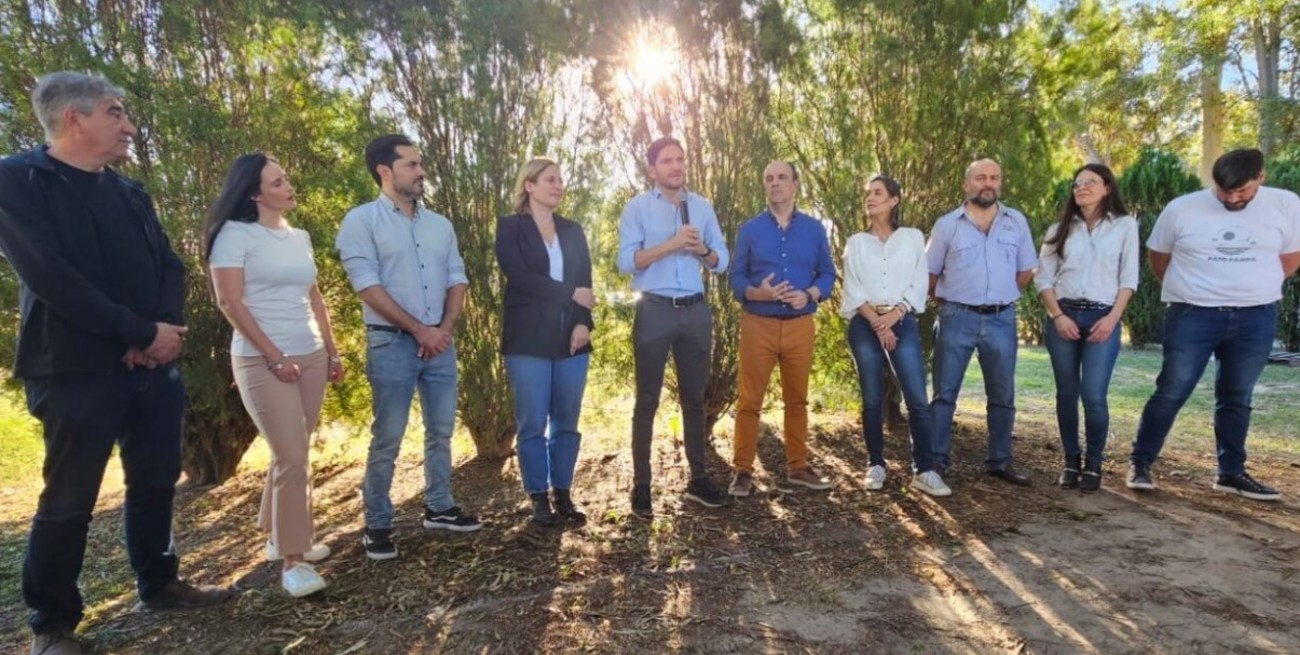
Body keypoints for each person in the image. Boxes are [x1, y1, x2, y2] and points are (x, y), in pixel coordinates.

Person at [0, 71, 232, 655]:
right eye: (115, 113)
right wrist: (138, 332)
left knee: (155, 481)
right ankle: (52, 626)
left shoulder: (129, 192)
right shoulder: (18, 181)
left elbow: (170, 265)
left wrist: (162, 330)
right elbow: (51, 276)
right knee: (69, 498)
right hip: (73, 370)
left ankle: (160, 583)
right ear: (73, 118)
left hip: (151, 365)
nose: (128, 125)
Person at [203, 153, 346, 596]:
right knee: (291, 456)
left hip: (311, 355)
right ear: (253, 193)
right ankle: (293, 561)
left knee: (294, 450)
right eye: (277, 182)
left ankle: (278, 535)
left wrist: (332, 350)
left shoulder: (298, 236)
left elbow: (314, 298)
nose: (288, 186)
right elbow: (229, 301)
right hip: (262, 360)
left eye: (286, 178)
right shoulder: (234, 235)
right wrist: (274, 357)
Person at [336, 134, 481, 561]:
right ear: (385, 171)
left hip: (440, 343)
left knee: (441, 430)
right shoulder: (361, 222)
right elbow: (366, 285)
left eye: (420, 164)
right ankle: (378, 524)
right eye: (411, 165)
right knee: (388, 436)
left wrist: (442, 330)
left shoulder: (440, 226)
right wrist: (420, 330)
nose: (421, 172)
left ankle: (439, 507)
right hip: (391, 343)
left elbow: (457, 278)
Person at [1128, 148, 1300, 501]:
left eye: (1242, 191)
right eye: (1224, 192)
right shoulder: (1182, 208)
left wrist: (1254, 287)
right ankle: (1140, 463)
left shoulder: (1286, 204)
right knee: (1172, 389)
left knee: (1237, 395)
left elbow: (1290, 256)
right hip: (1193, 314)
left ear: (1261, 178)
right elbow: (1159, 258)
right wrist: (1192, 290)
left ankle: (1230, 472)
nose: (1233, 199)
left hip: (1255, 316)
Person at [617, 136, 730, 517]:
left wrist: (702, 250)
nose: (676, 166)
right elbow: (626, 262)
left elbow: (722, 260)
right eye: (667, 160)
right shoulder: (637, 208)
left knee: (694, 399)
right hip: (655, 310)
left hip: (695, 312)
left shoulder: (701, 206)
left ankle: (698, 480)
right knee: (647, 400)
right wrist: (672, 243)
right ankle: (642, 486)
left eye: (680, 159)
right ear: (653, 169)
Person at [727, 161, 836, 497]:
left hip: (799, 326)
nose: (775, 183)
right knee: (749, 401)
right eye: (769, 178)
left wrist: (810, 294)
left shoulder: (814, 229)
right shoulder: (750, 230)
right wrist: (755, 293)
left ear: (795, 184)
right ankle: (742, 471)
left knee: (797, 400)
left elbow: (827, 274)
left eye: (781, 177)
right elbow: (735, 277)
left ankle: (798, 467)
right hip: (757, 324)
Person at [926, 158, 1038, 486]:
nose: (987, 183)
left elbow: (1025, 270)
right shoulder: (946, 225)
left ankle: (1000, 461)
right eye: (980, 178)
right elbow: (929, 274)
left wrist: (998, 295)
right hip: (956, 318)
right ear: (966, 184)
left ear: (1000, 183)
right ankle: (935, 461)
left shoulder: (1016, 222)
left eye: (994, 178)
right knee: (944, 394)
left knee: (1003, 396)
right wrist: (953, 301)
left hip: (1001, 319)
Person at [495, 157, 594, 526]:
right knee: (533, 421)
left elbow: (585, 281)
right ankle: (538, 496)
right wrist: (570, 294)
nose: (558, 185)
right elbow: (520, 276)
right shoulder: (510, 228)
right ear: (529, 186)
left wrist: (582, 322)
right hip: (527, 338)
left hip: (572, 337)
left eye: (560, 180)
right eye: (550, 179)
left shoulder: (573, 230)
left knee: (567, 420)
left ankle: (563, 492)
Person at [841, 175, 951, 497]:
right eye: (868, 193)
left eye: (878, 193)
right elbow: (853, 289)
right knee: (872, 398)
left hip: (901, 320)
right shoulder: (855, 243)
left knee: (917, 398)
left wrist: (893, 318)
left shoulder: (912, 238)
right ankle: (875, 464)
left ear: (894, 200)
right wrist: (879, 323)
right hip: (865, 322)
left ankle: (924, 470)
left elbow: (919, 283)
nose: (870, 198)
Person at [1035, 164, 1138, 493]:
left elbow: (1129, 278)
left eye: (1090, 182)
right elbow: (1043, 279)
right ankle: (1071, 460)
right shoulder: (1059, 229)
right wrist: (1057, 316)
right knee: (1066, 394)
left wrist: (1112, 319)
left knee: (1093, 395)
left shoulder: (1125, 226)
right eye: (1077, 183)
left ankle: (1094, 464)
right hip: (1063, 315)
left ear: (1107, 188)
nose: (1081, 187)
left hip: (1102, 317)